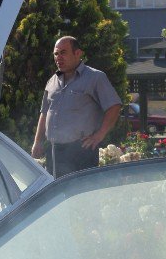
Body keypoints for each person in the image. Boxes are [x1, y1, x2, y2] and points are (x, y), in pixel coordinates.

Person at [31, 36, 122, 178]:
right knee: (57, 196)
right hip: (54, 151)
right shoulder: (52, 81)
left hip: (81, 151)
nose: (58, 57)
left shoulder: (95, 77)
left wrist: (99, 135)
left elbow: (114, 106)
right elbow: (44, 112)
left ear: (78, 53)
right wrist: (38, 142)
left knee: (81, 196)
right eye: (56, 54)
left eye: (63, 52)